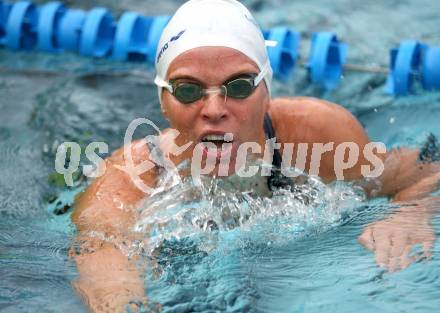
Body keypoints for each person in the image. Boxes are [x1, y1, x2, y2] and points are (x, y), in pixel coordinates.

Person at [70, 0, 440, 312]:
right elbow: (104, 265)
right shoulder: (132, 177)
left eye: (239, 85)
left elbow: (423, 171)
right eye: (187, 90)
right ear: (163, 102)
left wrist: (409, 213)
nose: (214, 108)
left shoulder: (317, 137)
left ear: (266, 92)